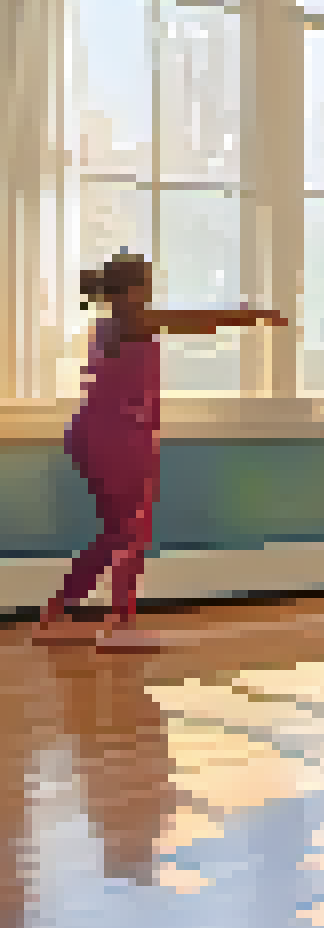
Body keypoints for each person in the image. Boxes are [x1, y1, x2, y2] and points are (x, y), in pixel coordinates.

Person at [34, 255, 285, 649]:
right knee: (130, 530)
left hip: (95, 434)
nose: (152, 291)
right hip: (117, 437)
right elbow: (195, 322)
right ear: (131, 290)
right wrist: (255, 316)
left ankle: (58, 617)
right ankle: (116, 625)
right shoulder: (133, 321)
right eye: (148, 284)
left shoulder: (110, 325)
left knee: (118, 531)